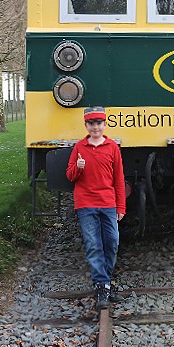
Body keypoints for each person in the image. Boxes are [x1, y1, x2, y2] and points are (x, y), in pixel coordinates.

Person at [66, 106, 126, 309]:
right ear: (86, 125)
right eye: (91, 124)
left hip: (108, 203)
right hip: (85, 203)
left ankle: (105, 283)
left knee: (112, 243)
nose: (95, 127)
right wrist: (78, 168)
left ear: (104, 124)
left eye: (99, 123)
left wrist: (121, 207)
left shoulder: (112, 148)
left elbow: (119, 179)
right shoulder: (79, 148)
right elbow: (70, 176)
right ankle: (102, 285)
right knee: (93, 244)